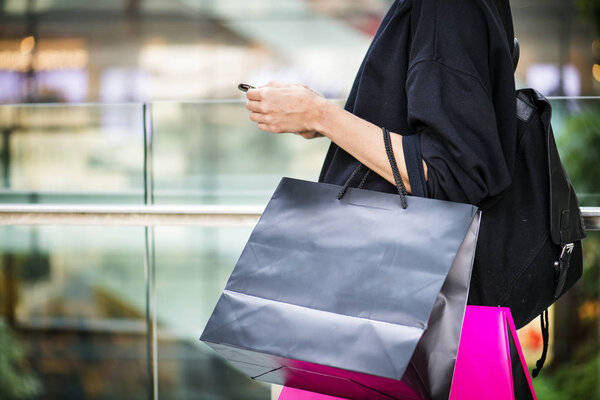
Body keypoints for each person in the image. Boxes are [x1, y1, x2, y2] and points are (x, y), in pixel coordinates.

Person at [245, 0, 517, 211]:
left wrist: (320, 115)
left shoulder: (445, 9)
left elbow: (450, 177)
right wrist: (318, 119)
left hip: (401, 265)